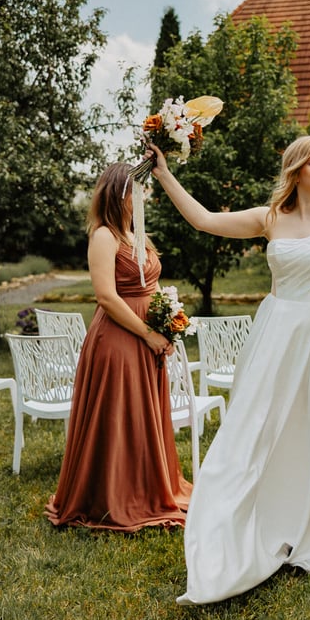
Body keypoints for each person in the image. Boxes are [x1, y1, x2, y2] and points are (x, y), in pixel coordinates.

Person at [150, 135, 310, 604]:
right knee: (253, 426)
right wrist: (163, 174)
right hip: (274, 332)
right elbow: (204, 221)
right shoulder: (270, 218)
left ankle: (309, 510)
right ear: (296, 170)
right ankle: (237, 509)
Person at [45, 161, 192, 532]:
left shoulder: (137, 234)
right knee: (117, 414)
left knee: (143, 413)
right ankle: (112, 494)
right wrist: (147, 333)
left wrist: (167, 327)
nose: (145, 196)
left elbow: (152, 286)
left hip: (148, 337)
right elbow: (107, 297)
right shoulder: (104, 236)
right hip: (118, 338)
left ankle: (147, 486)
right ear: (120, 193)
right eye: (139, 190)